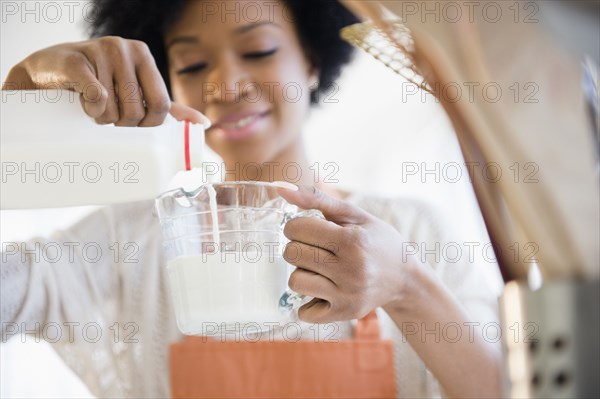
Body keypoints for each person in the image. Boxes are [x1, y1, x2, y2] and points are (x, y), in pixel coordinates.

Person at [1, 1, 502, 397]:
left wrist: (406, 288)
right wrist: (17, 121)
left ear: (312, 59)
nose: (224, 85)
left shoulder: (413, 233)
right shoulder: (122, 245)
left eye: (259, 51)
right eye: (193, 63)